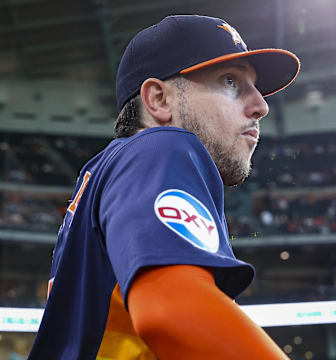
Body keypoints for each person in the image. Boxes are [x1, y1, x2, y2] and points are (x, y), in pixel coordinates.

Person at [29, 14, 300, 359]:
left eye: (256, 87)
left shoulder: (111, 168)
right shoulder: (162, 147)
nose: (261, 105)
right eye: (231, 81)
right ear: (158, 99)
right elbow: (171, 308)